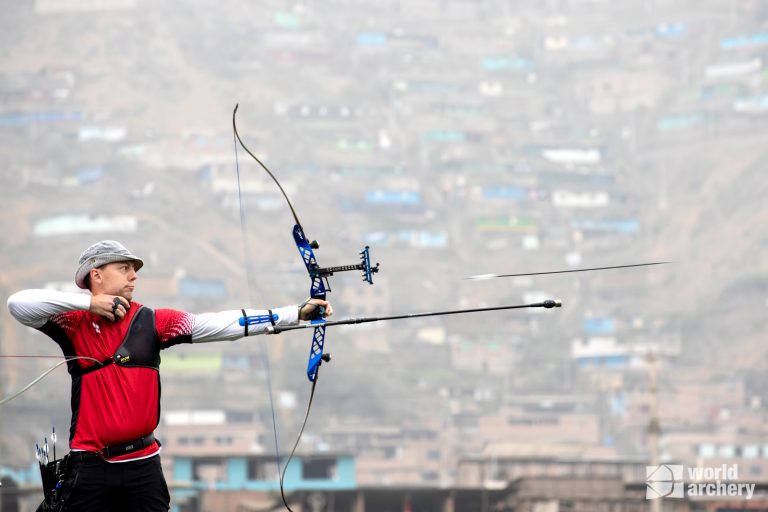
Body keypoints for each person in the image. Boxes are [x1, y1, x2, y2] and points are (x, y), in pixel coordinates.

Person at [6, 240, 332, 512]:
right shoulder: (73, 322)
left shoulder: (152, 322)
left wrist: (293, 314)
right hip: (90, 466)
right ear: (97, 275)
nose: (134, 275)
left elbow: (222, 324)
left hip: (142, 467)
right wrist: (90, 304)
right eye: (124, 268)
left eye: (134, 270)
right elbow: (18, 304)